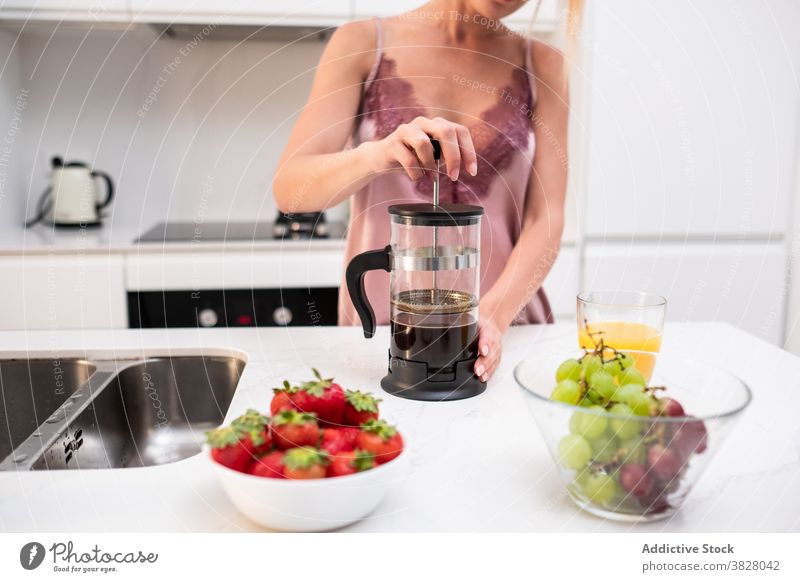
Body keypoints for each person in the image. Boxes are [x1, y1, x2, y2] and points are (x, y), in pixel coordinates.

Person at [274, 0, 570, 382]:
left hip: (506, 333)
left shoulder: (544, 65)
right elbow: (290, 189)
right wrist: (376, 156)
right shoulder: (362, 43)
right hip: (385, 329)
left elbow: (546, 218)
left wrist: (492, 318)